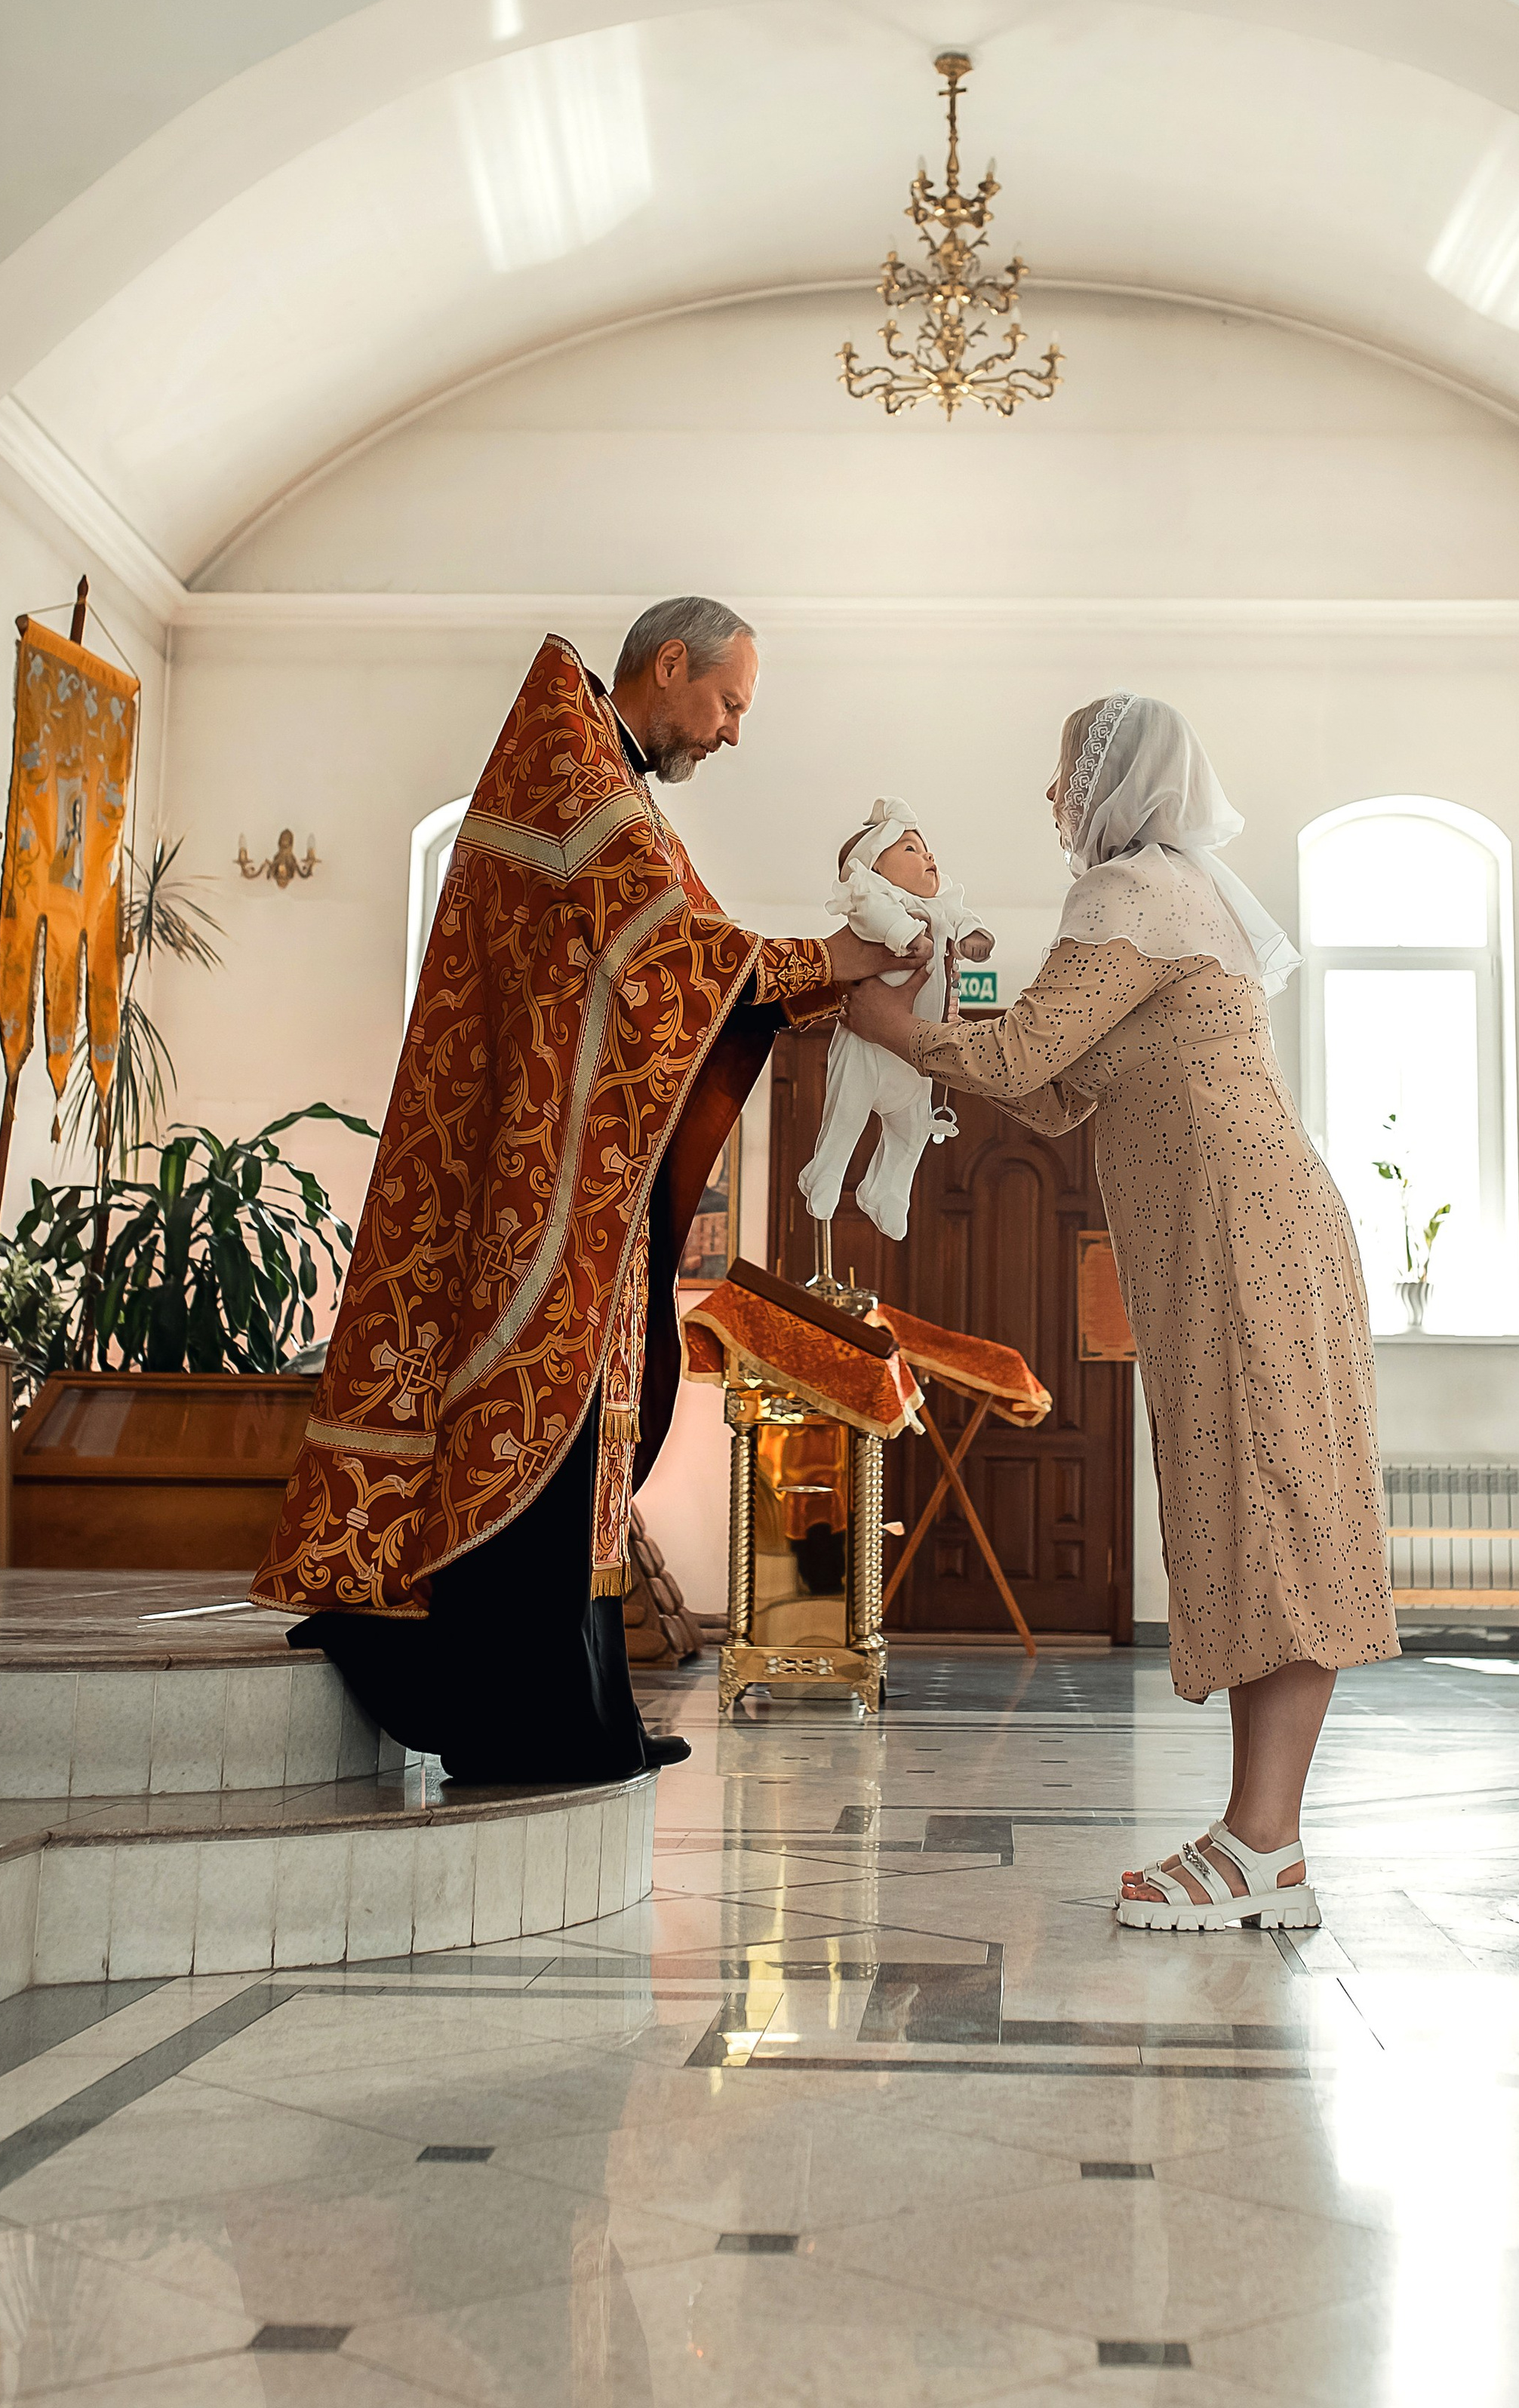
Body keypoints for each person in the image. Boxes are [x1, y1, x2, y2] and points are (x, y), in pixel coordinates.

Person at [254, 597, 921, 1784]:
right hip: (537, 1182)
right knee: (538, 1435)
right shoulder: (579, 770)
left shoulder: (609, 777)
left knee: (584, 1440)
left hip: (574, 1178)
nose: (729, 735)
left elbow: (694, 951)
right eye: (726, 704)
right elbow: (675, 960)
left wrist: (823, 977)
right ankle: (526, 1718)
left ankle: (582, 1713)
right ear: (671, 667)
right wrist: (841, 960)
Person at [848, 692, 1398, 1930]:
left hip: (1245, 1236)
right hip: (1240, 1236)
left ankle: (1270, 1846)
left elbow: (1015, 1057)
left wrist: (885, 1019)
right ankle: (1264, 1839)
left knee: (1278, 1515)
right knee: (1248, 1514)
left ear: (1111, 784)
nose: (1051, 802)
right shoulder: (1165, 897)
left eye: (1060, 776)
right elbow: (1058, 1095)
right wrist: (939, 1030)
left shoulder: (1129, 893)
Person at [798, 797, 994, 1241]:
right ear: (874, 869)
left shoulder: (943, 905)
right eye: (909, 849)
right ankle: (824, 1174)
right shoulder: (874, 896)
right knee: (846, 1115)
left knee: (913, 1132)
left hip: (915, 1048)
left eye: (926, 849)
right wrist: (903, 933)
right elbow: (872, 918)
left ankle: (888, 1190)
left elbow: (962, 918)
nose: (928, 856)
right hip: (868, 1045)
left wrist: (972, 935)